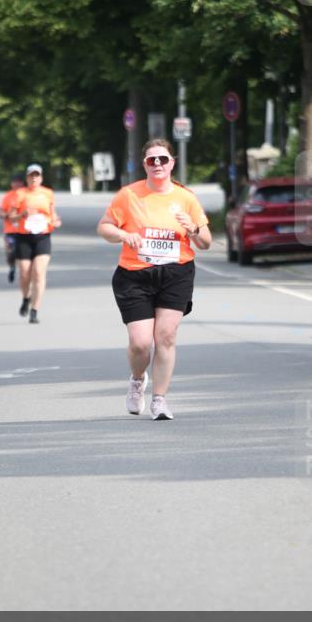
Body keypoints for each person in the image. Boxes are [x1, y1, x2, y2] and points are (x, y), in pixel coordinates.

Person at [97, 139, 212, 420]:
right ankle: (138, 379)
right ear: (145, 164)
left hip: (176, 273)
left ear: (172, 162)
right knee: (139, 343)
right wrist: (124, 235)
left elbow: (206, 242)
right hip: (134, 274)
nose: (157, 164)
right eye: (152, 160)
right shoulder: (129, 195)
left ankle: (159, 400)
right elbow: (104, 227)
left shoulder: (186, 198)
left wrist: (194, 228)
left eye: (162, 159)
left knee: (166, 337)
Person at [9, 163, 61, 324]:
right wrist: (22, 214)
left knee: (38, 272)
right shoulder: (19, 194)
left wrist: (56, 220)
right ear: (27, 177)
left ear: (41, 178)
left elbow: (53, 214)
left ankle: (34, 309)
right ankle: (26, 298)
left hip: (42, 236)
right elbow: (11, 217)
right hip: (24, 237)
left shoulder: (48, 193)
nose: (34, 178)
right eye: (31, 175)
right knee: (24, 273)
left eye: (37, 175)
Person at [0, 173, 25, 283]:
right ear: (11, 183)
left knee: (23, 253)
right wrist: (6, 215)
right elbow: (0, 212)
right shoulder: (8, 196)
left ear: (22, 183)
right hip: (10, 230)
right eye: (14, 182)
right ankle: (12, 267)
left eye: (19, 182)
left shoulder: (26, 195)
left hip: (24, 230)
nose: (17, 184)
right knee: (11, 252)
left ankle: (24, 272)